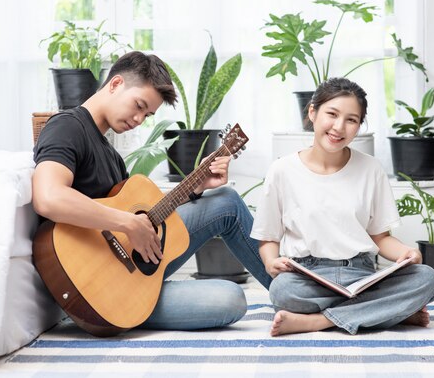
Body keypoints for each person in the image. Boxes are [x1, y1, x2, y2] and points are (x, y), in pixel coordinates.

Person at [32, 51, 271, 331]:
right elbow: (48, 198)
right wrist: (127, 222)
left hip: (129, 276)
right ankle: (297, 295)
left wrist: (194, 187)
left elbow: (144, 225)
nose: (138, 119)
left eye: (147, 115)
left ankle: (291, 294)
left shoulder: (112, 156)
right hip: (95, 291)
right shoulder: (67, 127)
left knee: (225, 200)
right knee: (230, 298)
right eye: (138, 105)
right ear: (115, 84)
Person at [251, 77, 434, 336]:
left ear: (359, 126)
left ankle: (319, 321)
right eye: (332, 114)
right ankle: (388, 312)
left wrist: (406, 252)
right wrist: (271, 262)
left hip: (362, 275)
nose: (339, 127)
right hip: (309, 277)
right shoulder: (282, 170)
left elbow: (380, 238)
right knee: (282, 292)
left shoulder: (371, 169)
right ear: (312, 112)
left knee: (426, 278)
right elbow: (268, 238)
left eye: (351, 120)